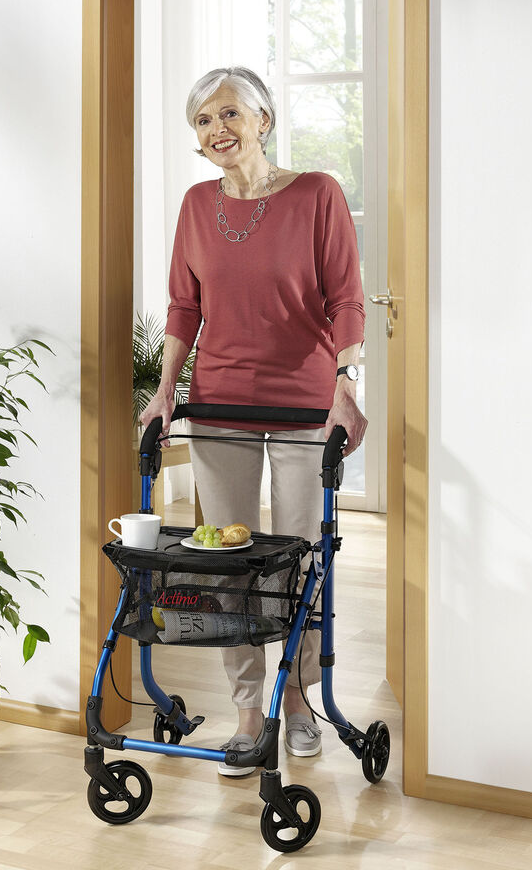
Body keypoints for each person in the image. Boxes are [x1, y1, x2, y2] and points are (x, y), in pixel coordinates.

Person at [140, 65, 367, 776]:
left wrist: (345, 384)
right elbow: (184, 307)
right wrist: (164, 389)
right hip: (220, 401)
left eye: (231, 114)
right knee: (225, 560)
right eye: (204, 121)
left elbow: (346, 300)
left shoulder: (316, 194)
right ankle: (247, 710)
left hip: (302, 400)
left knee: (296, 556)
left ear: (264, 120)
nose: (218, 131)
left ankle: (297, 699)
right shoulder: (195, 205)